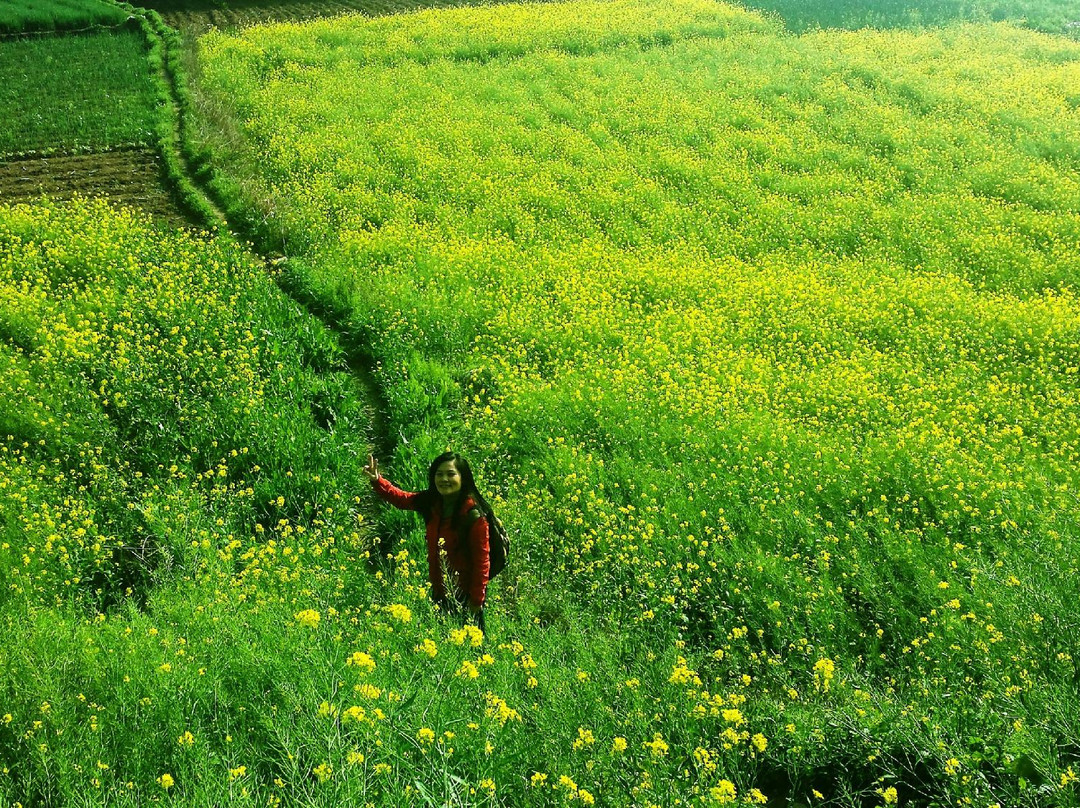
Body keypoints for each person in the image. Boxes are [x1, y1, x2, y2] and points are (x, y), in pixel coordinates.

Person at [365, 451, 490, 632]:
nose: (444, 479)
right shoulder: (432, 503)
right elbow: (402, 499)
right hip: (439, 591)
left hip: (466, 597)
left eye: (451, 474)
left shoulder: (473, 515)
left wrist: (476, 601)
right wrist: (378, 481)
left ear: (463, 478)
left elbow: (482, 562)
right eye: (439, 474)